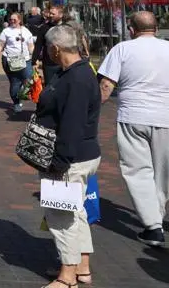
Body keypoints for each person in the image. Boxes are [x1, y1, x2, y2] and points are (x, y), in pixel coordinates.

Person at [97, 11, 169, 247]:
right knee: (162, 170)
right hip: (167, 117)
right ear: (157, 27)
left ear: (131, 29)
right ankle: (156, 217)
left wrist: (89, 112)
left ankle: (153, 225)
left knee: (137, 169)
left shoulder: (122, 49)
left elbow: (106, 85)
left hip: (133, 115)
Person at [34, 25, 101, 288]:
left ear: (55, 49)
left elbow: (71, 124)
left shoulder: (75, 78)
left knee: (61, 217)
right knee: (77, 212)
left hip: (69, 158)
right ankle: (81, 267)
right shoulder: (79, 72)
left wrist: (59, 162)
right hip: (81, 154)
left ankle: (67, 276)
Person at [0, 13, 34, 114]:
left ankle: (22, 94)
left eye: (14, 19)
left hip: (25, 60)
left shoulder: (26, 31)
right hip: (10, 60)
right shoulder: (6, 31)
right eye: (11, 19)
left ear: (20, 20)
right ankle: (16, 103)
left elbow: (31, 45)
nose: (12, 21)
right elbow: (1, 45)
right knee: (15, 83)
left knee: (29, 80)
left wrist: (35, 57)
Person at [33, 6, 64, 86]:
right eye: (50, 13)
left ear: (61, 15)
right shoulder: (44, 28)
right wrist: (34, 61)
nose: (50, 15)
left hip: (64, 63)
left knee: (63, 87)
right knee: (50, 87)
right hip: (49, 64)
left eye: (53, 14)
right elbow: (38, 45)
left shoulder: (66, 28)